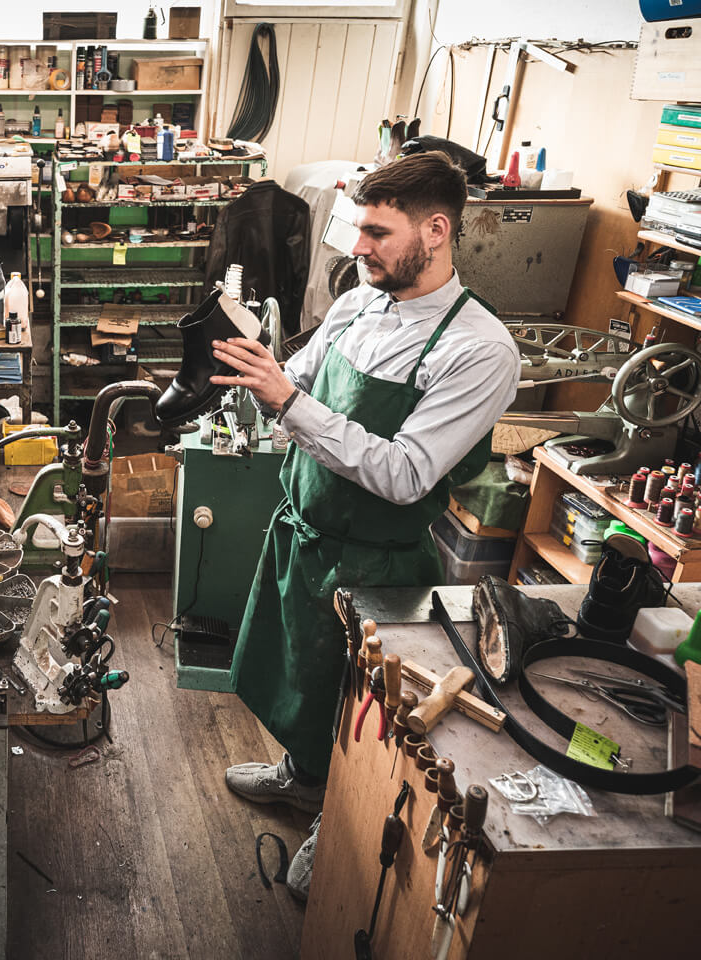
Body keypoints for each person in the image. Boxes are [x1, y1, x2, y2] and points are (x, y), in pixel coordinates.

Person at [209, 152, 520, 898]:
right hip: (304, 528)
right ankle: (302, 776)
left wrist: (286, 399)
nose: (357, 247)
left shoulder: (478, 350)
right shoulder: (358, 301)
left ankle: (337, 818)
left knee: (359, 709)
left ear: (437, 230)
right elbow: (303, 379)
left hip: (377, 562)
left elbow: (406, 471)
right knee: (299, 678)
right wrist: (249, 372)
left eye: (377, 232)